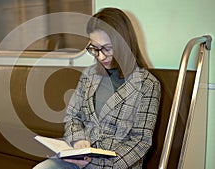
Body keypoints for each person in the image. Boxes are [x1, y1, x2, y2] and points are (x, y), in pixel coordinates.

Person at [33, 7, 161, 169]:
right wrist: (79, 140)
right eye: (94, 48)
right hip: (78, 157)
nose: (100, 56)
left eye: (107, 48)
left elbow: (140, 142)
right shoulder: (90, 75)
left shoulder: (147, 84)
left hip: (114, 165)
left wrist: (99, 164)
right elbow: (73, 116)